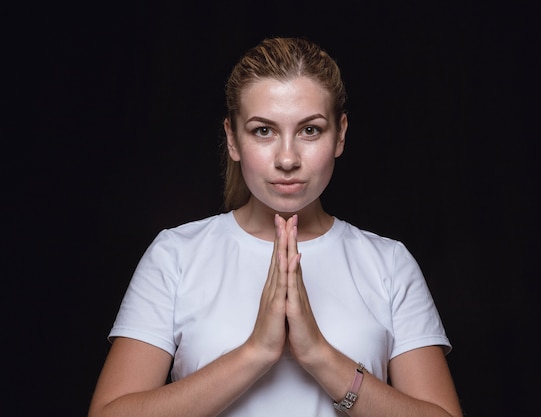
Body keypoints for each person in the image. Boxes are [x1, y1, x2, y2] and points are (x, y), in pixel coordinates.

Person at [88, 37, 463, 417]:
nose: (287, 158)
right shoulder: (176, 255)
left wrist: (319, 355)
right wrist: (256, 352)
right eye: (263, 131)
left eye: (310, 130)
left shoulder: (389, 263)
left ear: (341, 135)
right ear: (233, 139)